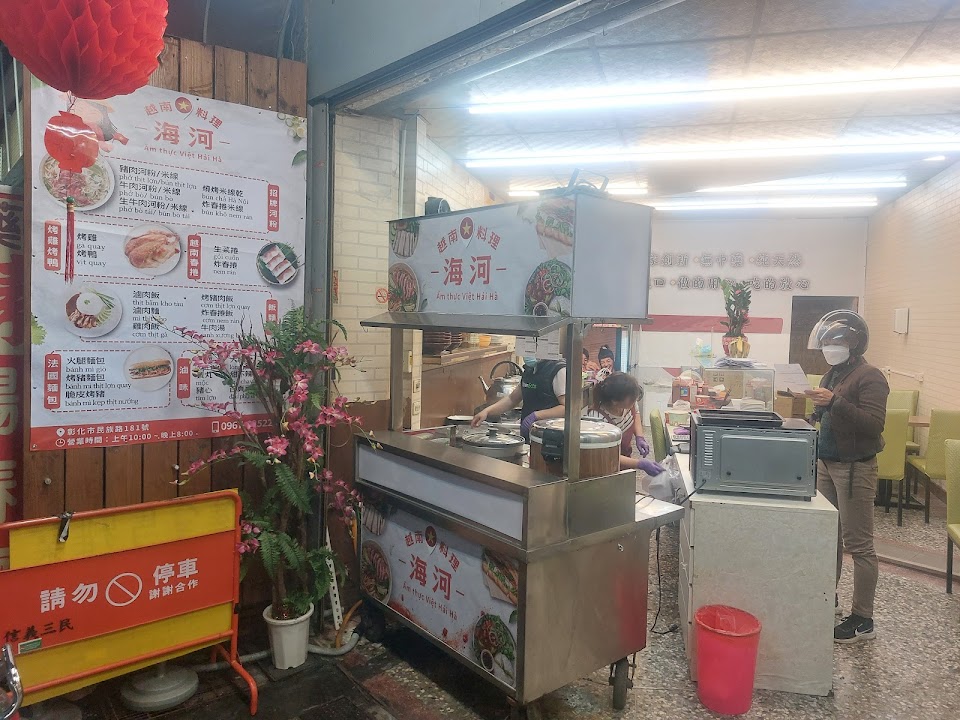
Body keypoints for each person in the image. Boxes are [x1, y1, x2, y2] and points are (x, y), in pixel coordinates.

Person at [806, 310, 889, 644]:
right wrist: (814, 410)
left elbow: (874, 424)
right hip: (827, 463)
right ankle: (830, 598)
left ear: (854, 343)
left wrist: (834, 402)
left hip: (855, 467)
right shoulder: (833, 373)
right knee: (830, 536)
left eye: (836, 342)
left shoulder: (870, 376)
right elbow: (827, 412)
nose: (829, 348)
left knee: (859, 544)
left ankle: (863, 618)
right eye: (826, 342)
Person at [583, 372, 664, 475]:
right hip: (607, 468)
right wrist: (639, 464)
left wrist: (639, 437)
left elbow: (636, 414)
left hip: (625, 461)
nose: (634, 401)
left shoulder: (629, 401)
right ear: (615, 401)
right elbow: (605, 455)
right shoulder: (598, 420)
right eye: (632, 400)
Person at [472, 357, 567, 439]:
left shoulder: (558, 370)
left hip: (550, 437)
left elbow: (566, 408)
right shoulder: (530, 370)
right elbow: (512, 399)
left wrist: (536, 416)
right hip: (528, 433)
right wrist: (487, 411)